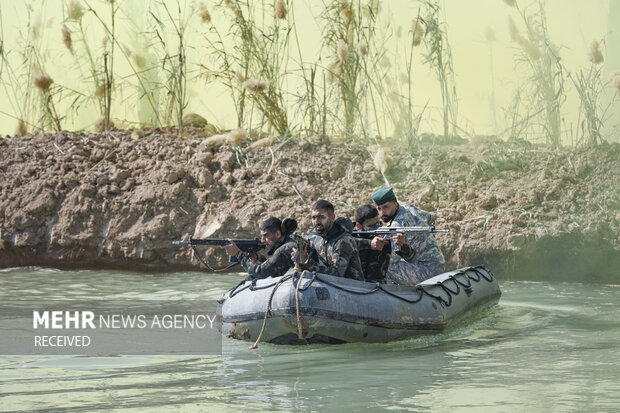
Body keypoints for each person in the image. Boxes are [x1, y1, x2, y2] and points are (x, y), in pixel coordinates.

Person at [370, 187, 445, 285]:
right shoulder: (409, 208)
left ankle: (392, 294)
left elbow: (392, 258)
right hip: (437, 262)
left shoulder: (397, 225)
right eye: (379, 208)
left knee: (384, 266)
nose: (382, 213)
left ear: (395, 205)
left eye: (385, 207)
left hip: (428, 271)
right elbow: (430, 218)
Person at [293, 200, 365, 281]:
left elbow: (336, 274)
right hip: (328, 286)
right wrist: (300, 260)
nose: (316, 221)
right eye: (313, 217)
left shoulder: (343, 241)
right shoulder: (314, 239)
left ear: (332, 217)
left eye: (321, 217)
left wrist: (307, 263)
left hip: (354, 289)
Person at [354, 204, 416, 283]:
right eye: (371, 226)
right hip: (355, 286)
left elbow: (412, 258)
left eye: (378, 223)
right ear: (359, 226)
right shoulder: (350, 236)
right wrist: (369, 244)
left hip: (378, 286)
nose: (376, 228)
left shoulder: (385, 234)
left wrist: (403, 245)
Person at [223, 217, 295, 280]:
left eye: (266, 235)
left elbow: (260, 273)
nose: (262, 240)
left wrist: (238, 254)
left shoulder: (285, 249)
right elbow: (276, 272)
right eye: (262, 236)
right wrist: (261, 258)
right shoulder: (290, 243)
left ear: (277, 234)